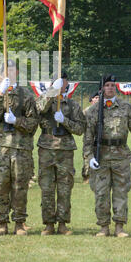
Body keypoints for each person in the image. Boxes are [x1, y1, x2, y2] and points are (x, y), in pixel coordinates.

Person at [83, 74, 131, 237]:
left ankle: (119, 227)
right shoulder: (94, 110)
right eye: (107, 85)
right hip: (101, 155)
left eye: (112, 85)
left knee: (121, 191)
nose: (110, 87)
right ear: (101, 88)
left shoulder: (126, 107)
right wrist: (89, 157)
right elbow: (88, 136)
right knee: (101, 193)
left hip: (121, 155)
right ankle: (103, 227)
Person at [0, 60, 38, 236]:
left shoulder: (26, 95)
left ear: (18, 73)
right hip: (0, 147)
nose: (10, 74)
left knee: (20, 186)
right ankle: (1, 222)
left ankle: (19, 222)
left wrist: (17, 121)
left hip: (20, 147)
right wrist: (1, 94)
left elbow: (32, 123)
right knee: (0, 185)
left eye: (13, 71)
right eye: (6, 71)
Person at [36, 72, 86, 236]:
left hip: (65, 149)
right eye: (56, 80)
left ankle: (63, 223)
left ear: (67, 84)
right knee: (47, 188)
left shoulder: (72, 105)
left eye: (62, 81)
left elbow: (80, 129)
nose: (59, 83)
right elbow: (39, 109)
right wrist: (51, 92)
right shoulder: (45, 99)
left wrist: (64, 120)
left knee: (65, 188)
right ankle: (49, 223)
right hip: (47, 147)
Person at [81, 90, 99, 184]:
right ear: (91, 100)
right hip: (88, 138)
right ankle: (86, 176)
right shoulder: (86, 111)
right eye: (95, 98)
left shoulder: (102, 111)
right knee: (87, 157)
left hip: (99, 138)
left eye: (99, 98)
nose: (97, 99)